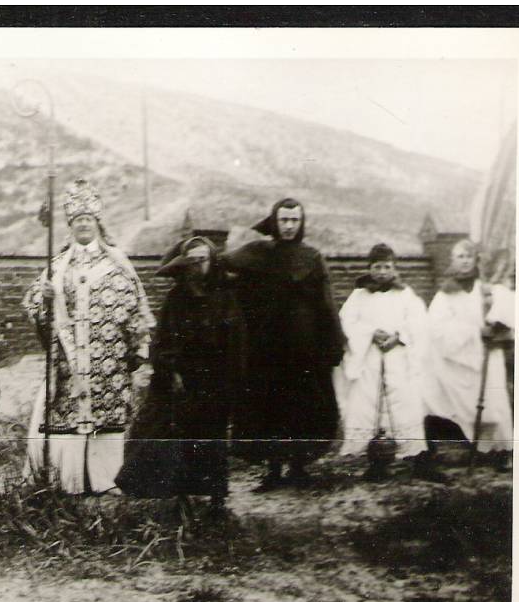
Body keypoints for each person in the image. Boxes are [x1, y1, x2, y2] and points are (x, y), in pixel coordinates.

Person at [22, 178, 156, 495]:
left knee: (106, 418)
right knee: (69, 418)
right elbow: (34, 306)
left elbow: (136, 306)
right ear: (71, 226)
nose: (83, 225)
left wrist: (137, 347)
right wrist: (44, 299)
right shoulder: (57, 266)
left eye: (88, 220)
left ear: (97, 223)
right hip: (69, 364)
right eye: (78, 220)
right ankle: (68, 483)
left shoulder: (117, 263)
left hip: (107, 360)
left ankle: (105, 481)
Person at [223, 198, 345, 490]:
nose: (289, 226)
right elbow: (219, 264)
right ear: (274, 222)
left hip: (304, 349)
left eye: (295, 220)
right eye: (284, 220)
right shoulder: (257, 253)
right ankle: (273, 470)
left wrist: (333, 342)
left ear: (302, 223)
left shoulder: (312, 257)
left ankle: (299, 467)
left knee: (302, 406)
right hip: (266, 348)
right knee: (269, 407)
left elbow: (326, 303)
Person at [115, 236, 246, 506]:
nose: (198, 267)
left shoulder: (226, 296)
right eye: (192, 261)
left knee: (213, 437)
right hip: (184, 380)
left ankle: (216, 497)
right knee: (182, 437)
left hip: (216, 379)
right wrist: (171, 370)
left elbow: (236, 339)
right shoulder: (176, 298)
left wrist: (232, 376)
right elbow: (164, 339)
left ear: (212, 261)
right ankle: (183, 494)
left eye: (203, 260)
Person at [333, 243, 445, 482]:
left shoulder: (405, 294)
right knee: (369, 406)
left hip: (398, 359)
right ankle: (377, 462)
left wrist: (399, 337)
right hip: (370, 359)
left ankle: (417, 458)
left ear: (395, 268)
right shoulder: (359, 296)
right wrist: (369, 333)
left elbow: (418, 324)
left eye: (387, 266)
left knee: (407, 404)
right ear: (369, 268)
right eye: (377, 266)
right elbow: (347, 323)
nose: (382, 271)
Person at [423, 239, 513, 469]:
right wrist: (474, 332)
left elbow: (507, 312)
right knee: (451, 399)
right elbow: (436, 328)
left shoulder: (488, 289)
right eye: (459, 257)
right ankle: (475, 448)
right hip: (460, 357)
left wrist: (496, 324)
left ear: (476, 260)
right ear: (453, 261)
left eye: (468, 256)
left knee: (494, 401)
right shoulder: (445, 294)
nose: (464, 261)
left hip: (487, 355)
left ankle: (502, 450)